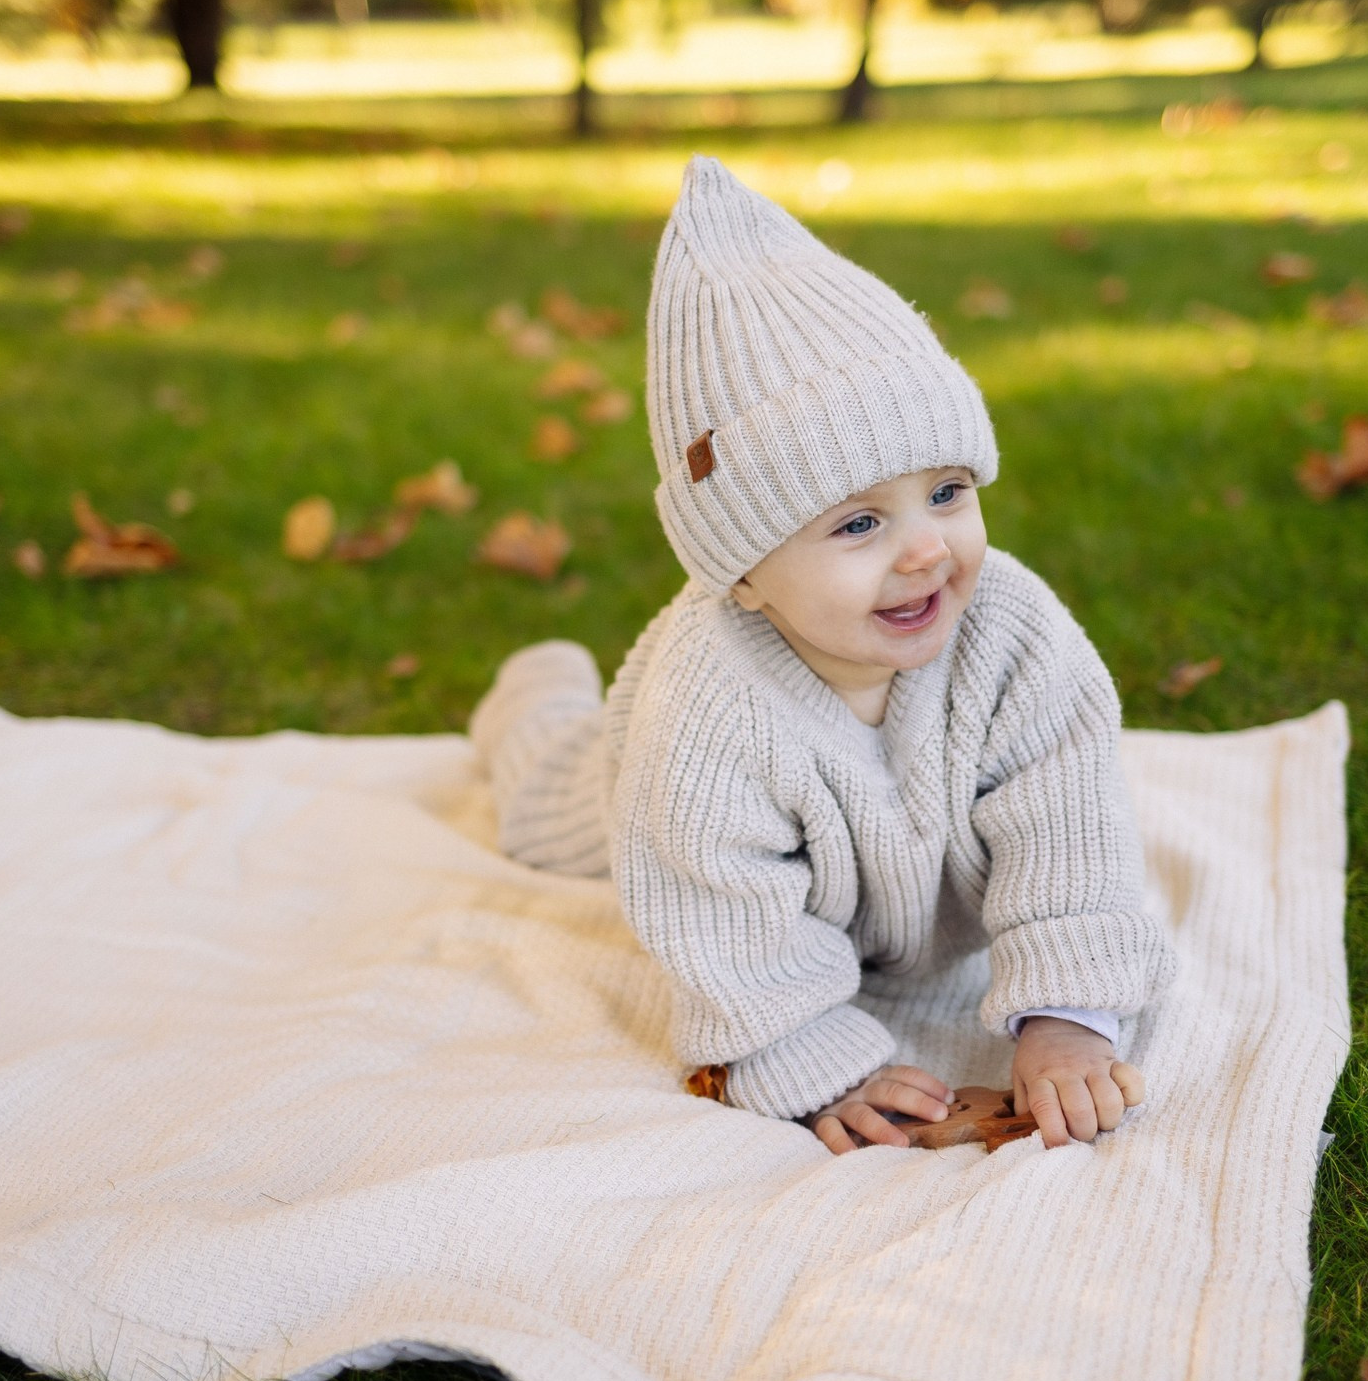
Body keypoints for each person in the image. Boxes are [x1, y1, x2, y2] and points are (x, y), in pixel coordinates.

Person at [468, 156, 1169, 1155]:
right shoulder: (708, 711)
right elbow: (715, 907)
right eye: (857, 525)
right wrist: (802, 1046)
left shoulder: (1012, 632)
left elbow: (1069, 820)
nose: (926, 547)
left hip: (885, 886)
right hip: (620, 796)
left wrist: (1067, 1014)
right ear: (742, 573)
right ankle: (533, 686)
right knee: (542, 793)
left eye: (946, 492)